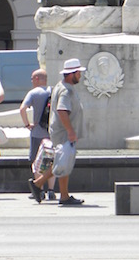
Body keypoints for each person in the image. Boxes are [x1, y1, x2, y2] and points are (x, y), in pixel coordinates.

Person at [29, 58, 86, 207]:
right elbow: (62, 110)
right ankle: (40, 184)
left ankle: (61, 194)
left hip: (61, 131)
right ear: (71, 74)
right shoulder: (66, 90)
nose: (80, 75)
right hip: (63, 133)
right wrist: (70, 130)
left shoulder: (62, 87)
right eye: (78, 73)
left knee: (62, 162)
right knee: (62, 162)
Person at [20, 69, 56, 201]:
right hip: (52, 133)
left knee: (37, 162)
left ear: (36, 79)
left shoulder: (34, 93)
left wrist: (27, 124)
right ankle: (51, 191)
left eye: (31, 79)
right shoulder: (54, 91)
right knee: (51, 161)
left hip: (37, 133)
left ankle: (39, 190)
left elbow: (22, 108)